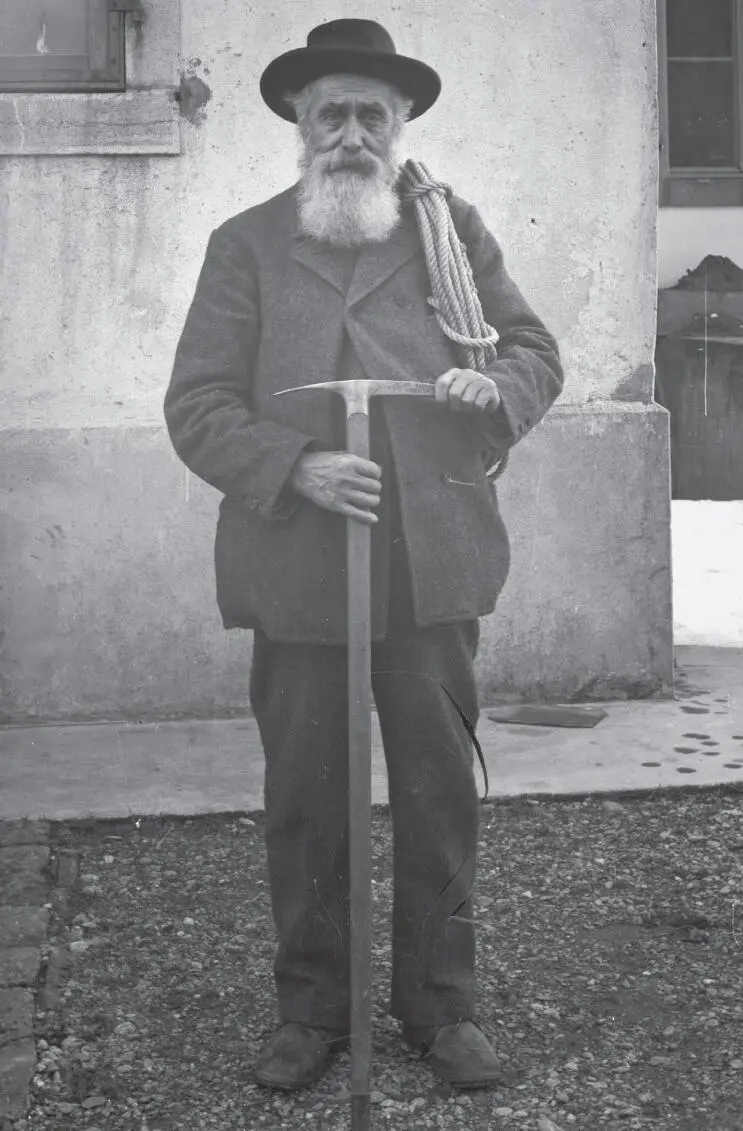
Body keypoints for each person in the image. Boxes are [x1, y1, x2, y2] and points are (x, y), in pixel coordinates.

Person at [165, 18, 563, 1093]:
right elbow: (195, 405)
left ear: (398, 128)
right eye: (329, 113)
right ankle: (311, 1011)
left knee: (438, 789)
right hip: (295, 562)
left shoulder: (449, 232)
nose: (350, 133)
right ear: (298, 126)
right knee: (304, 796)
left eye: (370, 115)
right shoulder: (246, 244)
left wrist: (498, 393)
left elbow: (532, 351)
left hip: (428, 558)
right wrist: (292, 466)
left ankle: (439, 1009)